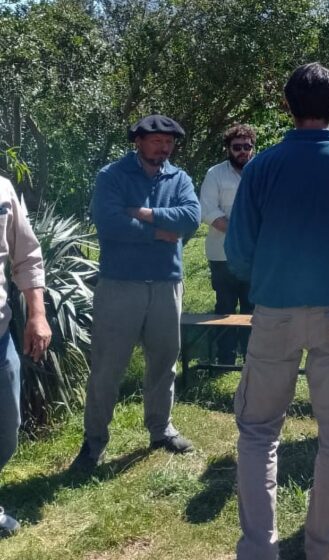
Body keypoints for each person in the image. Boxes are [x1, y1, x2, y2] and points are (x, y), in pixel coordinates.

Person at [225, 63, 329, 560]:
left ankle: (259, 549)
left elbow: (238, 252)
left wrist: (272, 273)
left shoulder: (261, 166)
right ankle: (322, 548)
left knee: (258, 432)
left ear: (287, 105)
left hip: (274, 310)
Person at [72, 114, 201, 471]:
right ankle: (94, 441)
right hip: (120, 285)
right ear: (139, 141)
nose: (164, 147)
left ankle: (160, 429)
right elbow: (109, 222)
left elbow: (190, 218)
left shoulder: (180, 178)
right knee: (107, 366)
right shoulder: (112, 176)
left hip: (166, 283)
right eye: (157, 140)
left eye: (169, 142)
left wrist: (142, 213)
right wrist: (159, 231)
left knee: (163, 361)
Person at [0, 176, 51, 537]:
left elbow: (27, 255)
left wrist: (37, 313)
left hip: (0, 336)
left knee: (6, 430)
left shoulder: (2, 188)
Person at [199, 123, 257, 364]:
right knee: (224, 305)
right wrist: (241, 232)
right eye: (237, 147)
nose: (242, 151)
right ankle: (224, 358)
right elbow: (208, 211)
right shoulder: (215, 174)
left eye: (247, 146)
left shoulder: (262, 171)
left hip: (255, 255)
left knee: (252, 306)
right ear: (227, 148)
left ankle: (251, 358)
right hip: (222, 254)